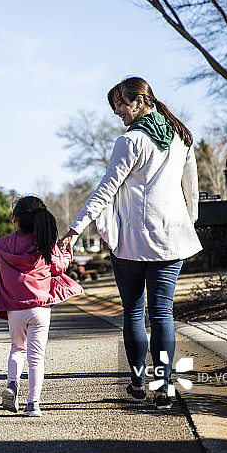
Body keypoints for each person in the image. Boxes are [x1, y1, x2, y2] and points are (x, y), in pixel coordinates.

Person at [60, 77, 201, 410]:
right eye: (115, 107)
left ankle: (139, 383)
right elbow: (191, 191)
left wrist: (74, 229)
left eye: (121, 104)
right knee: (162, 313)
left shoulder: (131, 141)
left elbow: (106, 189)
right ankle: (164, 388)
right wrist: (187, 223)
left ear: (140, 101)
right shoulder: (181, 136)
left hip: (132, 243)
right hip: (171, 240)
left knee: (135, 312)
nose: (118, 112)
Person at [0, 196, 83, 417]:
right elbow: (60, 267)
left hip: (14, 310)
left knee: (17, 349)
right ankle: (33, 404)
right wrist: (66, 250)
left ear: (15, 219)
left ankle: (12, 385)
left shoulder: (1, 244)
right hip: (40, 310)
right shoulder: (46, 245)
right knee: (36, 357)